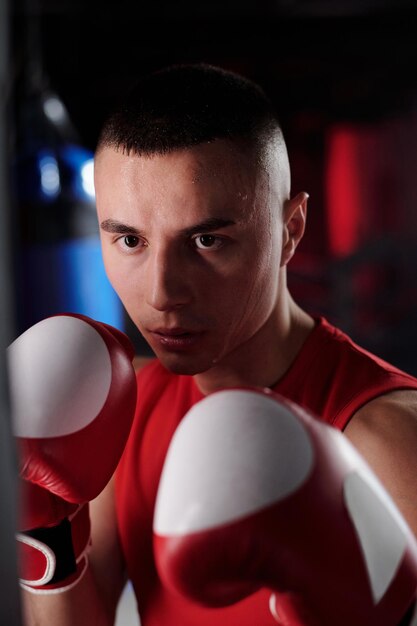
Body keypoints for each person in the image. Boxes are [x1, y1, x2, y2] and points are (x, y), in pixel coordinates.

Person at [21, 63, 417, 625]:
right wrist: (45, 540)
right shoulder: (115, 415)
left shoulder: (392, 442)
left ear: (291, 229)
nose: (162, 292)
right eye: (129, 239)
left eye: (207, 240)